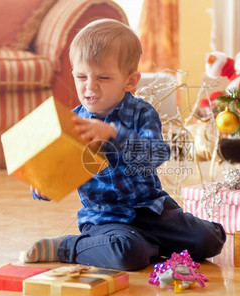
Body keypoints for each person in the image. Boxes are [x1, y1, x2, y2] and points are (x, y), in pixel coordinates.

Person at [23, 19, 226, 271]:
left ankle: (150, 242)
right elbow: (58, 171)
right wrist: (43, 187)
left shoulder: (142, 113)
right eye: (81, 76)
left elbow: (157, 153)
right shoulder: (73, 123)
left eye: (103, 77)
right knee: (127, 254)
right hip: (105, 219)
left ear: (130, 81)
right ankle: (68, 247)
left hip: (153, 210)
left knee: (210, 240)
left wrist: (113, 134)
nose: (90, 86)